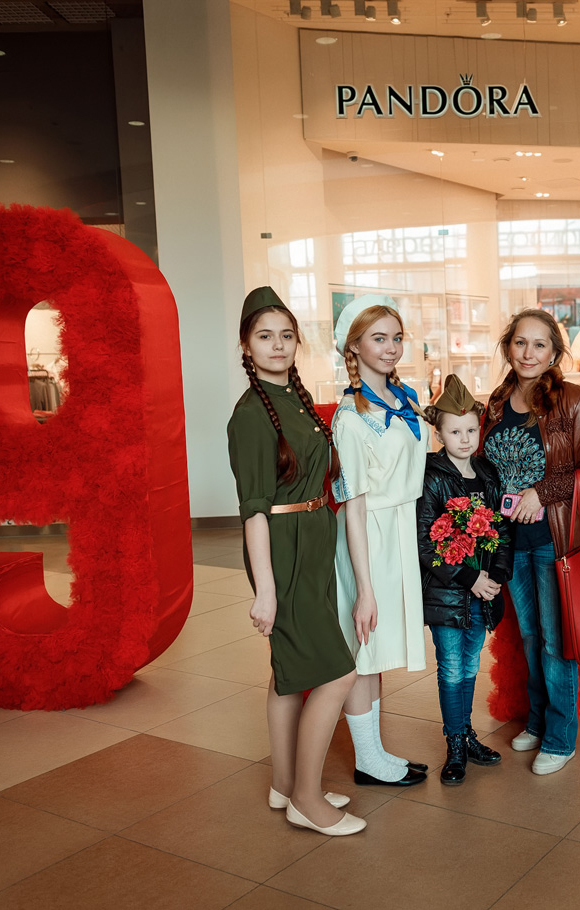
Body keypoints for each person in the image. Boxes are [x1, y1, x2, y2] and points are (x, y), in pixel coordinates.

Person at [227, 287, 364, 837]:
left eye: (286, 335)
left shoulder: (295, 398)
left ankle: (285, 784)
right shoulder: (250, 416)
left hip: (312, 541)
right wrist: (266, 589)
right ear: (246, 344)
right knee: (338, 672)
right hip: (283, 549)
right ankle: (308, 799)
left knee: (287, 673)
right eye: (265, 336)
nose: (278, 345)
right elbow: (254, 511)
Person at [481, 308, 580, 775]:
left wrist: (542, 492)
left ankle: (560, 737)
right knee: (531, 637)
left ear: (554, 352)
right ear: (507, 347)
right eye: (520, 343)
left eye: (539, 344)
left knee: (556, 641)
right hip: (511, 541)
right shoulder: (497, 402)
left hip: (556, 540)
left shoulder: (572, 400)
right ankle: (537, 720)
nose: (528, 353)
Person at [332, 296, 430, 788]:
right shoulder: (350, 417)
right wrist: (364, 588)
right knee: (364, 649)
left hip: (401, 531)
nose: (391, 348)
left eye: (397, 338)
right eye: (378, 338)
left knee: (377, 651)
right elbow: (353, 505)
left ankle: (375, 752)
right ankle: (367, 759)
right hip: (370, 537)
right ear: (353, 346)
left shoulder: (405, 398)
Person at [416, 375, 513, 786]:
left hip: (483, 591)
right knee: (451, 666)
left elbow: (502, 529)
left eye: (471, 430)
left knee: (471, 664)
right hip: (448, 593)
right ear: (439, 434)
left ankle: (467, 734)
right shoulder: (431, 476)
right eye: (455, 432)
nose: (465, 439)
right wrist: (469, 576)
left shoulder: (488, 472)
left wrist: (496, 577)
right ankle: (454, 742)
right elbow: (425, 542)